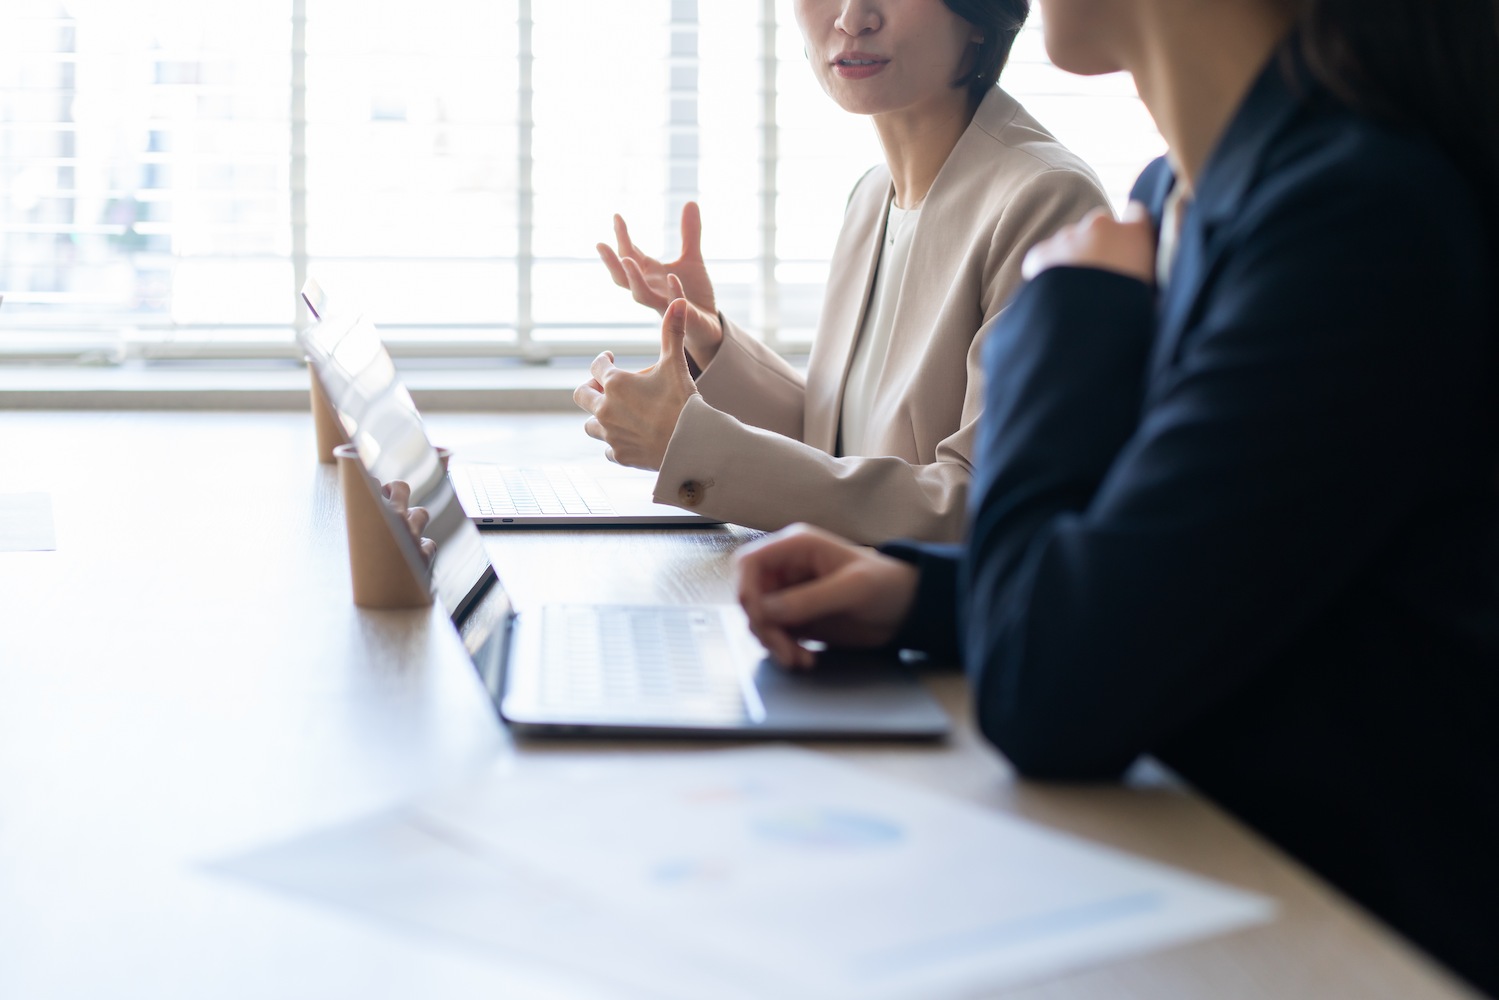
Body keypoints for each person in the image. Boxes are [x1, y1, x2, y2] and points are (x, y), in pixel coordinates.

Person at [735, 0, 1499, 993]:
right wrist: (923, 596)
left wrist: (1063, 321)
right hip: (1218, 881)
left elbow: (1050, 692)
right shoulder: (1175, 197)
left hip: (1349, 940)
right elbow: (1155, 577)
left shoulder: (1352, 218)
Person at [573, 0, 1108, 544]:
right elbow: (836, 444)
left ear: (977, 16)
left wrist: (686, 445)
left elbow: (978, 506)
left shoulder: (1046, 200)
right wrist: (710, 338)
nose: (853, 18)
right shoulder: (873, 193)